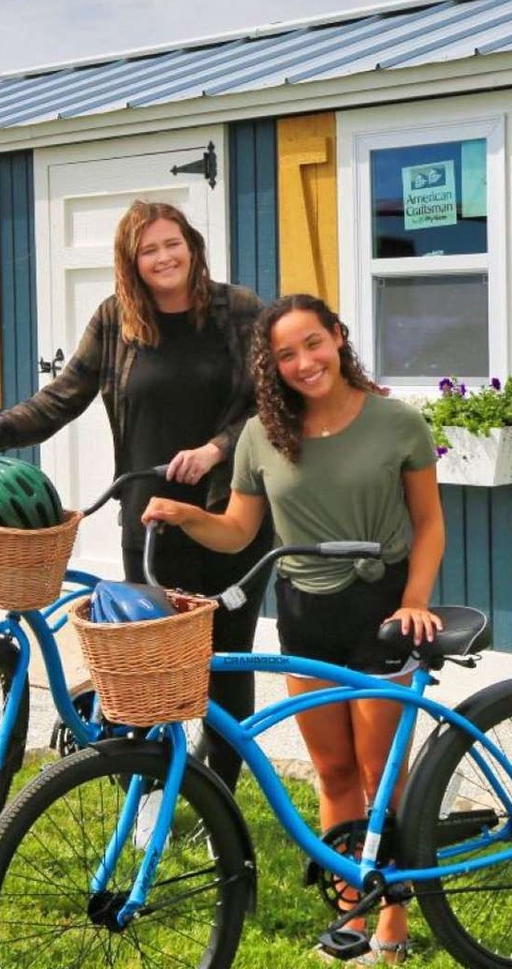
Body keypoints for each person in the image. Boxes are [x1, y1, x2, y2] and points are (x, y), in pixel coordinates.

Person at [141, 293, 445, 965]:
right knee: (332, 771)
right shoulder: (262, 435)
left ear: (337, 337)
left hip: (382, 611)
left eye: (313, 343)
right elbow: (238, 531)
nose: (304, 362)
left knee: (380, 774)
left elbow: (429, 524)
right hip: (304, 613)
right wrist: (187, 516)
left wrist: (416, 600)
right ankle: (350, 912)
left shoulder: (396, 422)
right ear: (271, 366)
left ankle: (393, 918)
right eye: (286, 354)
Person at [0, 199, 271, 789]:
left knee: (224, 659)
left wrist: (217, 449)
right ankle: (146, 794)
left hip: (229, 514)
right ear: (131, 261)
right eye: (149, 250)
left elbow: (269, 402)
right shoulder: (115, 319)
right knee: (144, 662)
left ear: (192, 246)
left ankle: (219, 794)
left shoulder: (240, 310)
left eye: (172, 243)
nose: (164, 257)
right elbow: (62, 397)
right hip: (148, 518)